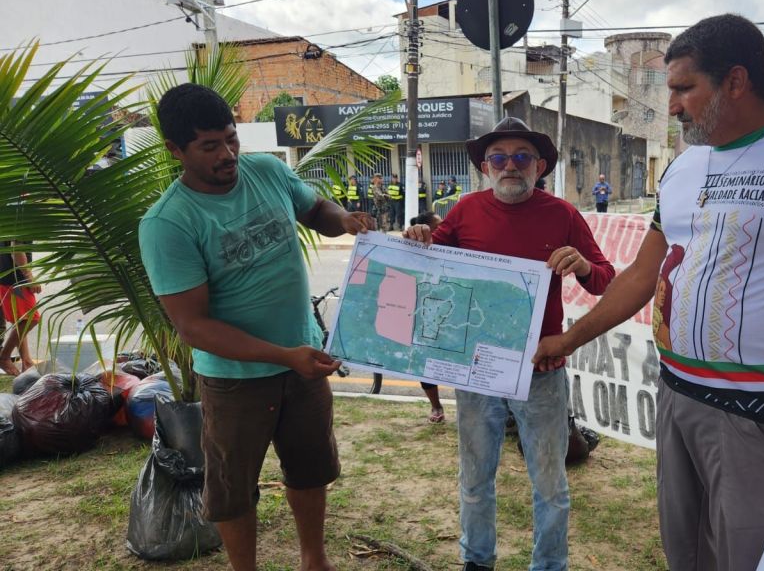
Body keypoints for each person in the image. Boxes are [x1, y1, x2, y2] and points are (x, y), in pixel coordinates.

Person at [533, 14, 764, 571]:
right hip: (678, 396)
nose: (672, 105)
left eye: (683, 88)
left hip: (761, 412)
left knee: (755, 559)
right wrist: (568, 339)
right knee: (688, 553)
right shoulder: (681, 168)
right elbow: (640, 275)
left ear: (735, 81)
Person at [139, 83, 376, 571]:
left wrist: (345, 220)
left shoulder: (267, 170)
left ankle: (315, 559)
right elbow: (194, 326)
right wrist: (284, 356)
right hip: (234, 381)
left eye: (231, 139)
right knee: (232, 487)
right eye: (210, 146)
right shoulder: (169, 223)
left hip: (303, 365)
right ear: (175, 150)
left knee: (310, 468)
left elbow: (316, 211)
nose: (228, 155)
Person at [404, 117, 615, 571]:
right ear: (485, 166)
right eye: (499, 158)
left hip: (542, 370)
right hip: (477, 370)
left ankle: (550, 565)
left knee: (551, 485)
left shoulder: (563, 215)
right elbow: (430, 262)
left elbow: (605, 281)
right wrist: (418, 238)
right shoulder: (464, 211)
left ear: (539, 166)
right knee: (475, 478)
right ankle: (477, 561)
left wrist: (580, 264)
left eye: (522, 157)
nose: (510, 166)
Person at [408, 211, 447, 423]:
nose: (444, 227)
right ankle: (436, 406)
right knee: (426, 363)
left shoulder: (454, 247)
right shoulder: (414, 251)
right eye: (438, 225)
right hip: (426, 313)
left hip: (450, 310)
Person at [0, 240, 42, 375]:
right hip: (15, 279)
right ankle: (4, 356)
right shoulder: (21, 218)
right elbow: (16, 247)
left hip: (6, 277)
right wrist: (29, 277)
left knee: (21, 320)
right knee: (31, 319)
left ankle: (27, 362)